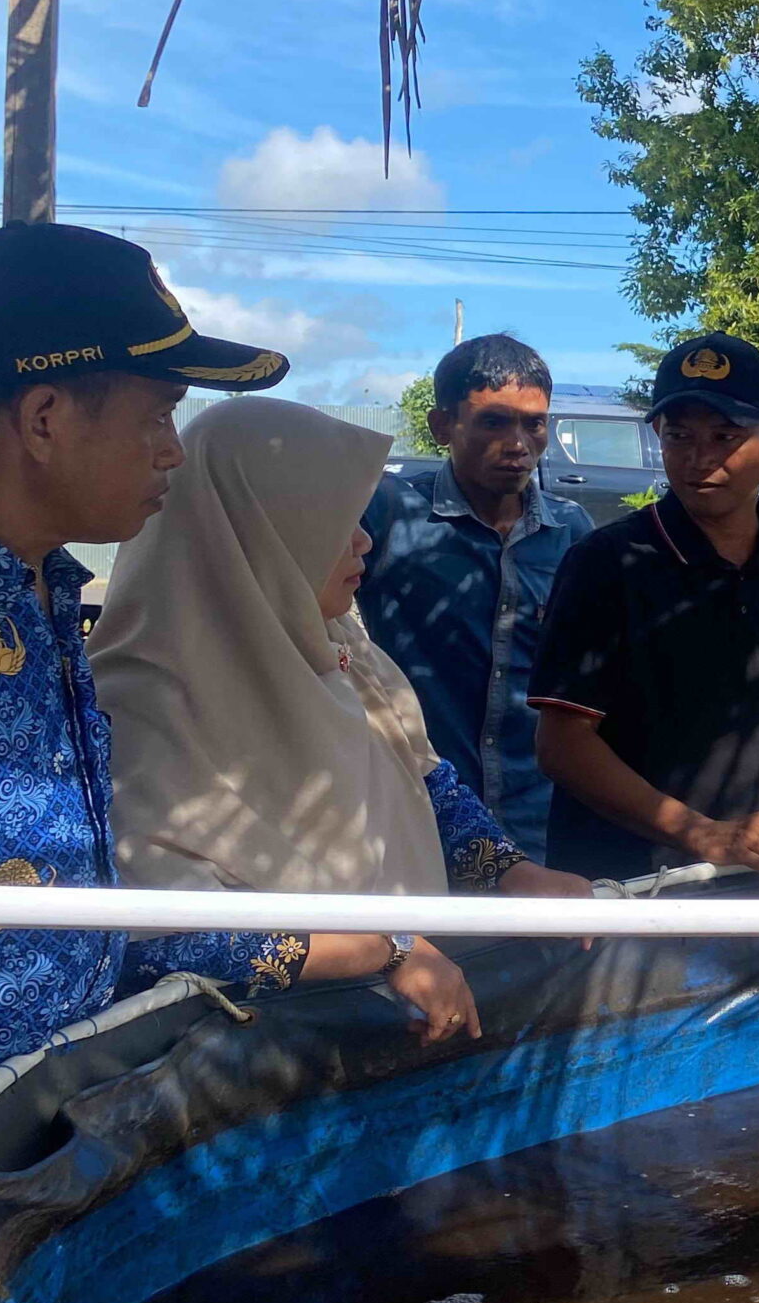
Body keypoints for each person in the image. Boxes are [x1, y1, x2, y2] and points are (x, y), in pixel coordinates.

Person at [0, 222, 354, 1146]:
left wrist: (302, 950)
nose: (173, 450)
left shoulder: (42, 591)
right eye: (158, 413)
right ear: (46, 417)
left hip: (11, 1171)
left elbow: (71, 917)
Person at [93, 398, 599, 1040]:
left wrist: (513, 871)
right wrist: (386, 949)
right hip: (252, 1063)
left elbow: (426, 782)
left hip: (402, 1021)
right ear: (258, 530)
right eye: (334, 522)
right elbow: (156, 937)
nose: (363, 540)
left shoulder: (340, 648)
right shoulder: (140, 700)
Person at [531, 333, 759, 883]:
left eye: (726, 436)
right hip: (630, 892)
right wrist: (702, 833)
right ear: (658, 434)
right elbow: (561, 744)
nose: (700, 459)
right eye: (680, 436)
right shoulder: (607, 564)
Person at [357, 334, 590, 851]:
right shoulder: (389, 514)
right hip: (419, 816)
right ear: (443, 426)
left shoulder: (572, 532)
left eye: (534, 424)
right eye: (494, 421)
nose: (518, 444)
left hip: (540, 821)